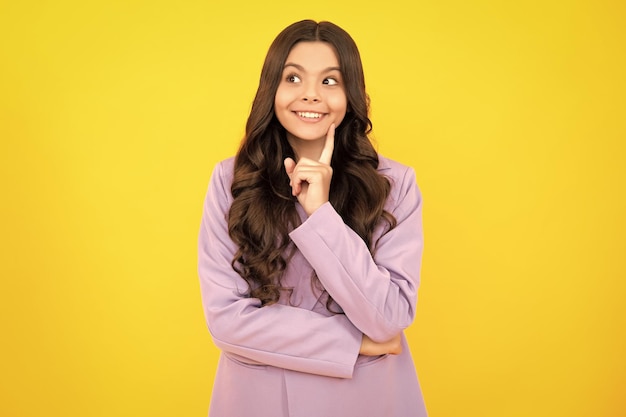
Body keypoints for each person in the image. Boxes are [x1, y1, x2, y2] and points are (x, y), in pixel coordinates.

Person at [198, 19, 427, 417]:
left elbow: (389, 317)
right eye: (293, 77)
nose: (310, 95)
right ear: (272, 89)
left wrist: (320, 214)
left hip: (366, 399)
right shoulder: (231, 180)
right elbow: (226, 319)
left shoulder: (395, 184)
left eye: (329, 81)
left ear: (350, 92)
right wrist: (354, 344)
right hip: (259, 401)